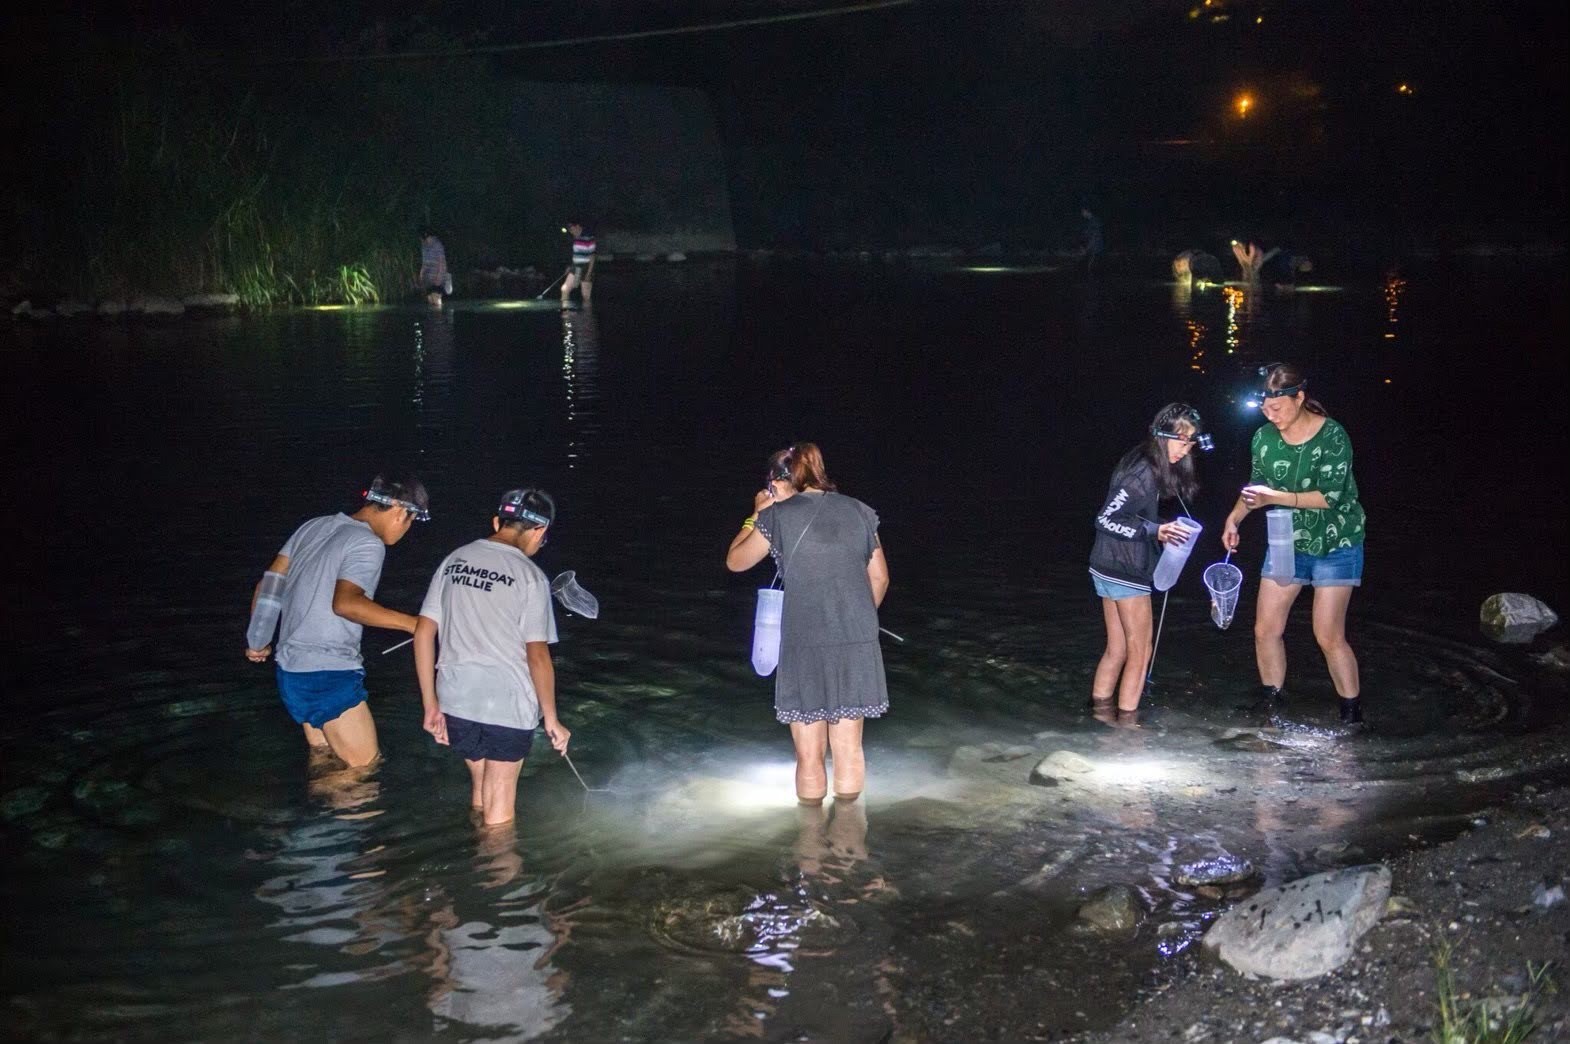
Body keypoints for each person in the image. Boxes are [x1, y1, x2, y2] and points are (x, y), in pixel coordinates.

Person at [725, 443, 890, 805]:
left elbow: (736, 561)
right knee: (849, 750)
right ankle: (848, 843)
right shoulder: (860, 511)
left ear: (777, 481)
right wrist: (857, 623)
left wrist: (755, 514)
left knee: (810, 755)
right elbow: (879, 579)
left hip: (803, 643)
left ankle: (812, 844)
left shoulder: (776, 517)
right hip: (857, 640)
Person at [244, 475, 430, 767]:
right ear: (399, 509)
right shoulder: (368, 544)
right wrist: (415, 624)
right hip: (328, 673)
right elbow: (346, 604)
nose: (408, 529)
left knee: (327, 761)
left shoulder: (314, 526)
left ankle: (316, 812)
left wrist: (258, 640)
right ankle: (341, 814)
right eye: (411, 520)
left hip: (291, 672)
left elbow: (269, 584)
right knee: (363, 773)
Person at [414, 489, 571, 826]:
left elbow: (424, 633)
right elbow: (538, 656)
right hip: (506, 703)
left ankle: (476, 857)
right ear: (539, 531)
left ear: (498, 521)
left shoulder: (453, 560)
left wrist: (431, 703)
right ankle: (499, 874)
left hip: (456, 700)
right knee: (500, 798)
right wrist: (552, 719)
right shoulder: (531, 577)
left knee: (481, 786)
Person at [1222, 362, 1366, 725]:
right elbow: (1257, 487)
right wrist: (1235, 517)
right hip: (1288, 541)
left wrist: (1276, 497)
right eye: (1265, 409)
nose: (1271, 416)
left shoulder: (1333, 435)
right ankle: (1273, 702)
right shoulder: (1263, 439)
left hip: (1338, 542)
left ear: (1299, 397)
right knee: (1265, 629)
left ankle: (1351, 713)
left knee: (1328, 634)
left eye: (1278, 408)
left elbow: (1331, 497)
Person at [1088, 404, 1207, 724]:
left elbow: (1128, 514)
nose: (1186, 450)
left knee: (1117, 648)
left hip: (1106, 565)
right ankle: (1127, 730)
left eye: (1191, 443)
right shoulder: (1143, 471)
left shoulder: (1143, 460)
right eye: (1182, 442)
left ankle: (1098, 718)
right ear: (1162, 436)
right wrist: (1157, 530)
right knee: (1141, 651)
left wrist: (1158, 527)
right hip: (1124, 569)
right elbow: (1105, 518)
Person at [560, 222, 595, 309]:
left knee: (585, 296)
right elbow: (575, 254)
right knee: (565, 289)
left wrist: (588, 273)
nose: (571, 232)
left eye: (572, 229)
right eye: (570, 230)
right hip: (576, 267)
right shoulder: (575, 238)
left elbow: (592, 256)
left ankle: (587, 317)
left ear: (578, 226)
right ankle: (566, 315)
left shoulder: (588, 238)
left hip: (586, 267)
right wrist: (570, 266)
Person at [418, 231, 450, 309]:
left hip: (437, 276)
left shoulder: (437, 245)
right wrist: (421, 274)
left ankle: (439, 317)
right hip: (428, 278)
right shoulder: (424, 246)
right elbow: (424, 262)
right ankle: (433, 319)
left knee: (436, 298)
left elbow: (442, 262)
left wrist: (439, 277)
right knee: (430, 299)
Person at [1079, 207, 1105, 274]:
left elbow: (1095, 238)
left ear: (1087, 211)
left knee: (1092, 271)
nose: (1082, 214)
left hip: (1095, 251)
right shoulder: (1090, 222)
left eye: (1083, 211)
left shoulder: (1094, 222)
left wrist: (1086, 249)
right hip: (1093, 250)